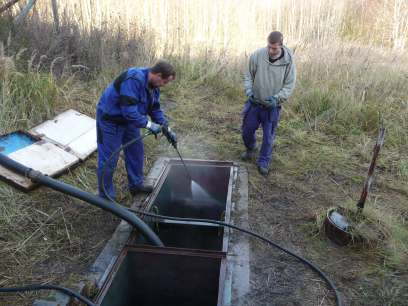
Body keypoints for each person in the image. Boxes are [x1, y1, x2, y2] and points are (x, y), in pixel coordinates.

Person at [96, 60, 177, 199]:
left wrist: (166, 128)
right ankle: (105, 196)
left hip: (130, 122)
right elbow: (129, 112)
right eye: (165, 82)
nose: (164, 85)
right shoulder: (134, 79)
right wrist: (150, 125)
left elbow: (155, 109)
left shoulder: (153, 86)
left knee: (136, 153)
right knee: (109, 160)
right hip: (111, 120)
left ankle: (136, 185)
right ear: (158, 75)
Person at [241, 31, 296, 176]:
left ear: (281, 46)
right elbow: (247, 75)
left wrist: (277, 99)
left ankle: (263, 161)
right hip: (254, 103)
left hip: (272, 107)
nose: (271, 51)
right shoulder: (257, 56)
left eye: (274, 48)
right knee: (247, 130)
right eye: (269, 47)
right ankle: (251, 147)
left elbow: (289, 85)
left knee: (268, 137)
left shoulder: (289, 61)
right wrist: (249, 91)